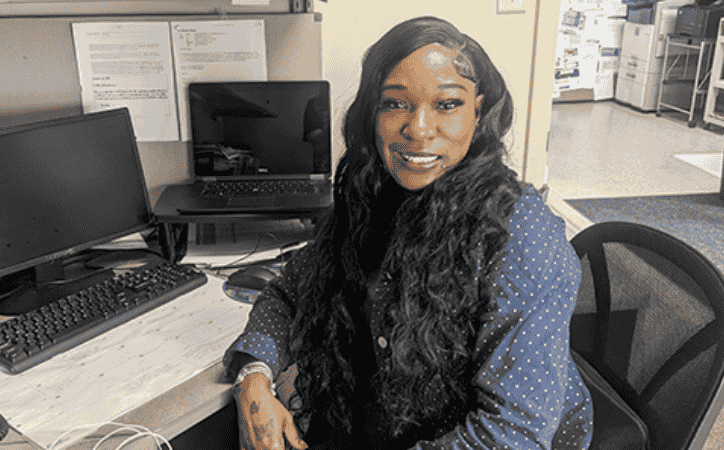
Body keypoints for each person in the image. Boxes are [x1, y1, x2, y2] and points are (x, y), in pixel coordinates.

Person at [222, 15, 594, 450]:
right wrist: (253, 376)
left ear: (480, 109)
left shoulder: (520, 233)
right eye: (396, 104)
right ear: (371, 113)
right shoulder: (372, 196)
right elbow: (289, 292)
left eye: (447, 104)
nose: (417, 130)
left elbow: (512, 434)